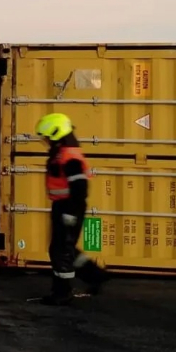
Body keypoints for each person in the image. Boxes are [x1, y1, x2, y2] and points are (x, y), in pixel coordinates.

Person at [34, 113, 108, 305]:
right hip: (64, 206)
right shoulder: (65, 153)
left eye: (47, 137)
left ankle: (62, 293)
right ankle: (95, 275)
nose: (46, 141)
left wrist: (70, 213)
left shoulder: (69, 158)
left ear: (57, 134)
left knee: (61, 251)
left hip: (69, 206)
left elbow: (80, 189)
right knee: (64, 248)